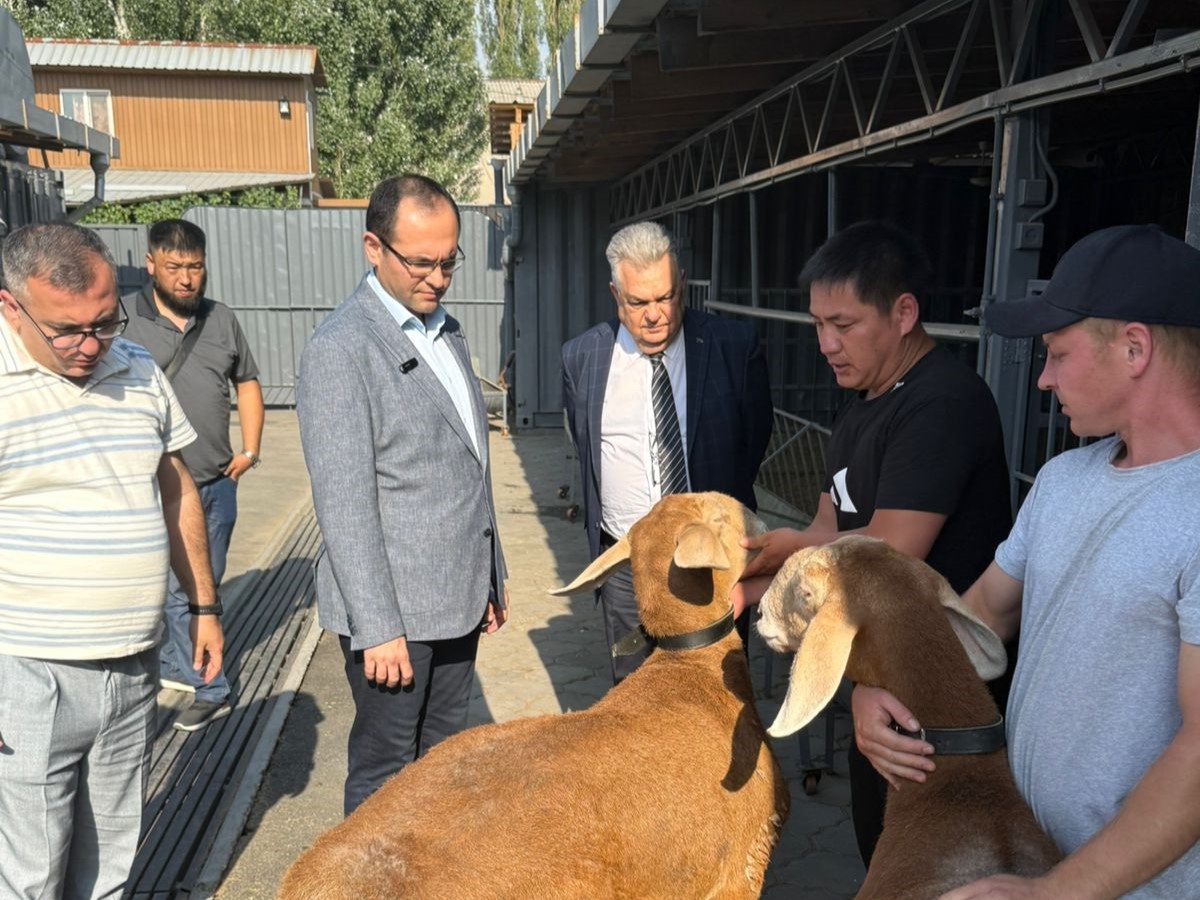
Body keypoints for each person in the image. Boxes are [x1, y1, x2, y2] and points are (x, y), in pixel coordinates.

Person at [854, 224, 1200, 899]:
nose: (1041, 379)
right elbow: (982, 612)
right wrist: (877, 684)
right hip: (1031, 853)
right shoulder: (1065, 478)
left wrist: (1059, 892)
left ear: (1135, 348)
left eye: (1056, 354)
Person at [733, 221, 1013, 865]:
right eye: (817, 324)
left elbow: (890, 548)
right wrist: (758, 576)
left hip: (943, 693)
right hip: (882, 682)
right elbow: (829, 529)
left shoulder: (942, 403)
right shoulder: (860, 402)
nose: (826, 344)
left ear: (904, 312)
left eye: (844, 324)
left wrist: (792, 562)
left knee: (932, 866)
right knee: (878, 850)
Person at [0, 222, 224, 897]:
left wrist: (204, 606)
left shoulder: (136, 367)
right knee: (33, 875)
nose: (91, 345)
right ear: (11, 308)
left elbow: (176, 485)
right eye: (67, 331)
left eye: (104, 320)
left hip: (132, 666)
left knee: (110, 868)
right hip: (28, 674)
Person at [297, 173, 509, 817]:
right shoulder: (342, 350)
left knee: (444, 765)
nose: (438, 278)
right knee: (387, 773)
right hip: (394, 617)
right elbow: (345, 505)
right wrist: (378, 627)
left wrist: (491, 575)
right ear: (372, 247)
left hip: (457, 600)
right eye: (420, 262)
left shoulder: (446, 329)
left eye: (449, 261)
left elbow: (469, 464)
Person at [561, 220, 773, 683]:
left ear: (681, 285)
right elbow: (586, 448)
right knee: (635, 698)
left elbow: (754, 437)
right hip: (627, 567)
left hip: (713, 559)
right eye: (638, 302)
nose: (655, 314)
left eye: (666, 297)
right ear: (616, 295)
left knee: (718, 694)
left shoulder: (733, 348)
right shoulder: (582, 359)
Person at [123, 219, 264, 732]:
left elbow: (247, 381)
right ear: (151, 265)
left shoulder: (221, 319)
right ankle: (212, 687)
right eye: (175, 267)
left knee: (202, 587)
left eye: (196, 267)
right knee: (176, 592)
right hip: (153, 490)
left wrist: (249, 450)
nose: (187, 279)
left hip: (215, 484)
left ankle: (188, 668)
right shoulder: (123, 322)